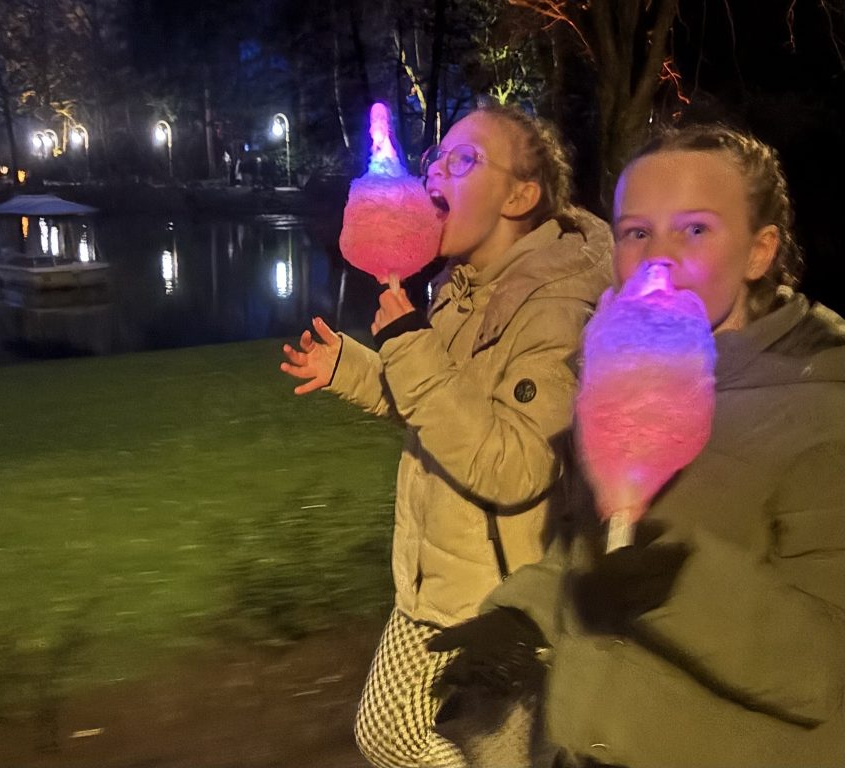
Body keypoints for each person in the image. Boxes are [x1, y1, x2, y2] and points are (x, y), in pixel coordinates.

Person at [431, 124, 845, 768]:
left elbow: (825, 673)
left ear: (760, 251)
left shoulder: (825, 409)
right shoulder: (617, 377)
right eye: (636, 232)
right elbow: (585, 551)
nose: (659, 258)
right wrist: (518, 617)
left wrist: (682, 588)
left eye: (696, 230)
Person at [279, 102, 613, 768]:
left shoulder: (559, 309)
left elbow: (514, 465)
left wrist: (409, 345)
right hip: (433, 577)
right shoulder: (459, 289)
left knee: (452, 746)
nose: (437, 173)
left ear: (522, 195)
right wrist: (353, 364)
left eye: (466, 160)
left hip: (498, 599)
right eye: (438, 158)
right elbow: (442, 411)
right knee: (408, 734)